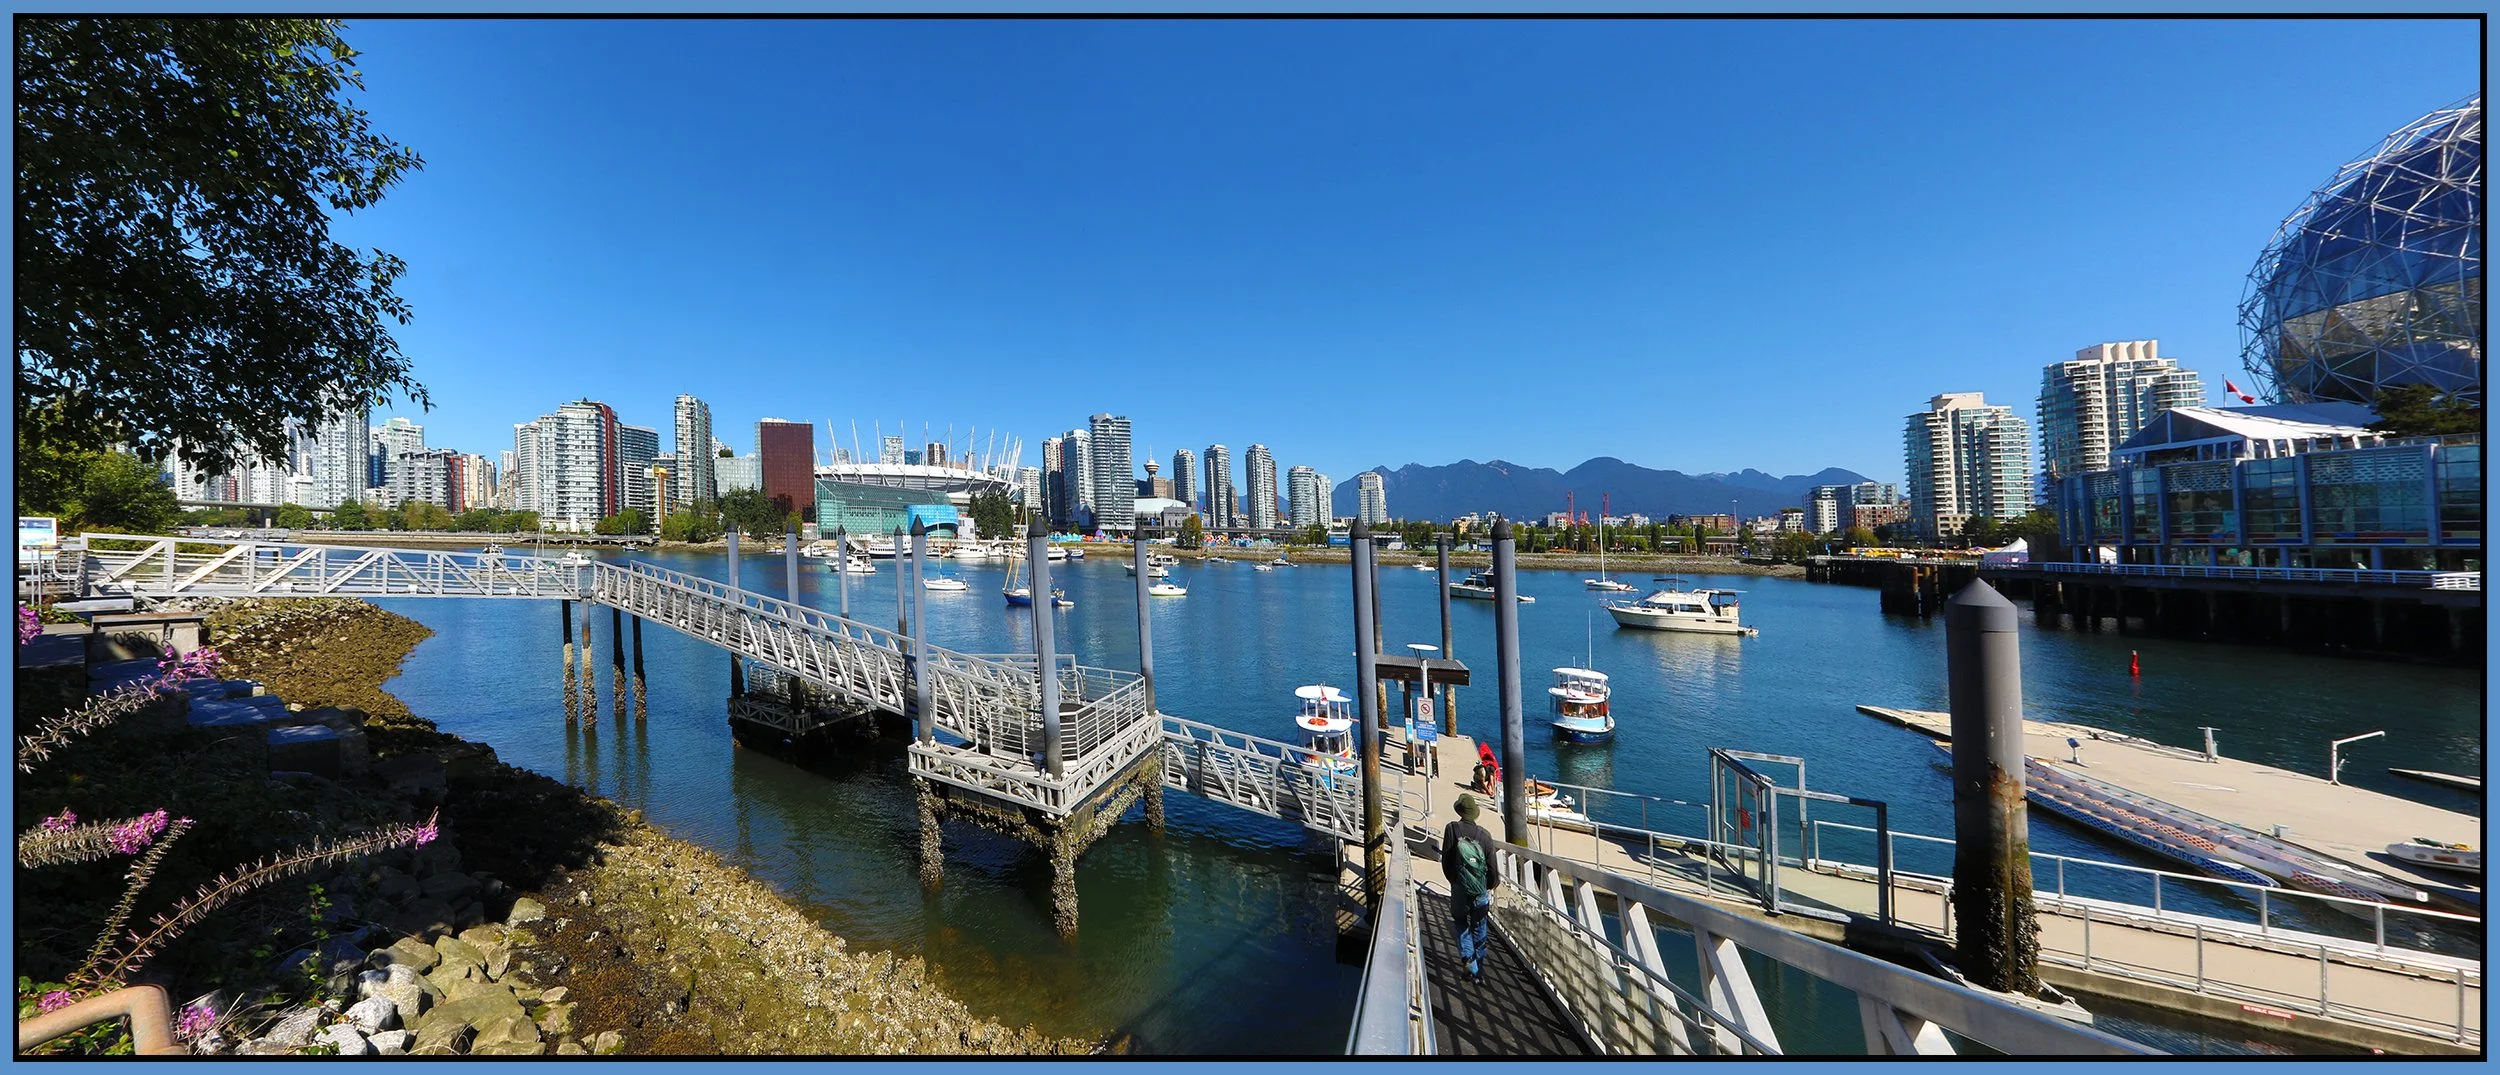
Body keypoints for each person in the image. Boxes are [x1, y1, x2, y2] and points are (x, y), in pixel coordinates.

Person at [1441, 794, 1501, 981]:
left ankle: (1469, 959)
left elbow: (1446, 859)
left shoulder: (1452, 829)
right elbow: (1493, 868)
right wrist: (1489, 885)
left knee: (1460, 921)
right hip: (1480, 889)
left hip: (1460, 886)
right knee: (1479, 927)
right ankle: (1478, 972)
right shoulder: (1485, 835)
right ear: (1475, 813)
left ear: (1459, 811)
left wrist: (1453, 879)